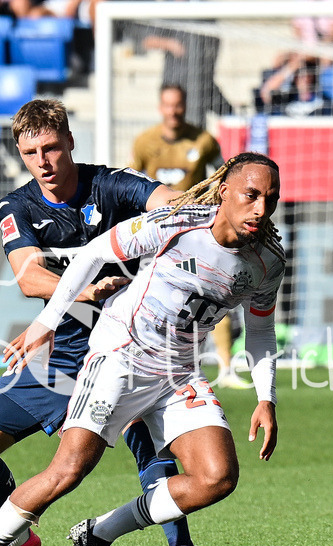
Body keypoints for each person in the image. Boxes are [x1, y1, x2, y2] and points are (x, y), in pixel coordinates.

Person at [0, 152, 284, 546]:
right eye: (251, 196)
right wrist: (46, 322)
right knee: (68, 470)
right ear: (225, 189)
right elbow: (95, 252)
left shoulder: (267, 259)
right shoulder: (177, 224)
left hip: (179, 372)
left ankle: (97, 534)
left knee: (216, 477)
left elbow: (262, 331)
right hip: (121, 354)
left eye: (271, 199)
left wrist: (265, 398)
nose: (261, 210)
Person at [0, 100, 215, 546]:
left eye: (51, 147)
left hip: (128, 347)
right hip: (62, 351)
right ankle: (17, 537)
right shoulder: (17, 206)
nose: (43, 161)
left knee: (152, 449)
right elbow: (28, 276)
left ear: (70, 141)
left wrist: (201, 204)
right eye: (31, 153)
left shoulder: (111, 184)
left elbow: (169, 201)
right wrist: (85, 289)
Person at [130, 83, 249, 389]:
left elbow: (224, 177)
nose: (173, 111)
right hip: (159, 233)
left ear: (185, 105)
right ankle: (152, 361)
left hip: (195, 232)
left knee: (212, 293)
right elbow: (133, 182)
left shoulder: (204, 141)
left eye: (178, 105)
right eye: (168, 105)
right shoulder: (145, 142)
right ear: (161, 107)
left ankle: (225, 367)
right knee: (154, 296)